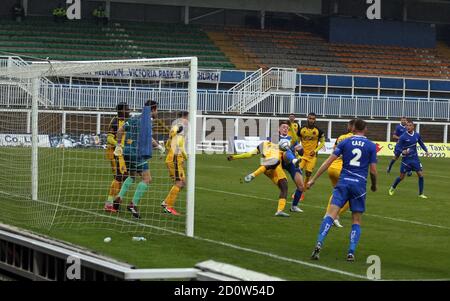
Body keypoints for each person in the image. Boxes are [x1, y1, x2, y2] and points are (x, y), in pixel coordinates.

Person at [307, 119, 378, 261]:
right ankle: (351, 252)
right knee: (356, 220)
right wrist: (374, 185)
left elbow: (329, 161)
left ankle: (319, 243)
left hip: (343, 182)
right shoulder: (371, 146)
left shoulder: (344, 142)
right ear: (364, 129)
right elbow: (373, 170)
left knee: (330, 214)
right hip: (359, 185)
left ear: (353, 128)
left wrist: (313, 179)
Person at [113, 100, 161, 219]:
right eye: (157, 110)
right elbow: (149, 139)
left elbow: (119, 131)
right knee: (147, 179)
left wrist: (119, 145)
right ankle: (133, 205)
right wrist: (160, 147)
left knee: (132, 176)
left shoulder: (133, 118)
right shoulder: (147, 122)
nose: (157, 112)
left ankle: (119, 197)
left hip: (127, 152)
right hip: (137, 154)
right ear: (153, 110)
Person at [227, 138, 291, 217]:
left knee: (284, 187)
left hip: (276, 168)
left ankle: (279, 211)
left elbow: (287, 160)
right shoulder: (264, 144)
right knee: (275, 161)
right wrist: (234, 157)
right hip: (266, 165)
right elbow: (250, 154)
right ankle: (253, 175)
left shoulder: (282, 147)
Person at [323, 119, 356, 228]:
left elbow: (334, 151)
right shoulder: (356, 139)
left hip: (332, 168)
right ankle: (333, 215)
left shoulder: (341, 137)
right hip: (341, 170)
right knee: (352, 196)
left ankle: (328, 215)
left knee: (336, 193)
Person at [388, 120, 429, 198]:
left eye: (410, 125)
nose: (408, 127)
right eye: (407, 125)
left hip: (415, 159)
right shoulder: (403, 137)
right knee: (401, 177)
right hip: (406, 160)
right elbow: (397, 148)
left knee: (420, 175)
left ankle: (421, 194)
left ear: (413, 127)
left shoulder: (417, 135)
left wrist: (426, 150)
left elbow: (421, 143)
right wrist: (402, 151)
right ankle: (392, 187)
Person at [161, 112, 189, 216]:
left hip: (177, 159)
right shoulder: (180, 125)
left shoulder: (181, 128)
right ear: (184, 117)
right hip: (175, 159)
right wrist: (186, 157)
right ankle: (168, 206)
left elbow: (169, 142)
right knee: (179, 183)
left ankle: (166, 203)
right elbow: (174, 136)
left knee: (183, 183)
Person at [104, 103, 130, 213]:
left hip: (122, 153)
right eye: (127, 109)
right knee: (119, 177)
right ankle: (109, 204)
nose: (129, 111)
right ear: (121, 111)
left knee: (124, 177)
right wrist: (118, 144)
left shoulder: (127, 122)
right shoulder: (115, 121)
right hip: (115, 153)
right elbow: (109, 138)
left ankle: (116, 201)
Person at [298, 112, 325, 201]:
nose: (311, 120)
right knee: (298, 172)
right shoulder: (302, 129)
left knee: (308, 173)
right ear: (307, 119)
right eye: (310, 118)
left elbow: (323, 143)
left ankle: (302, 191)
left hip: (312, 156)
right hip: (302, 155)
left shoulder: (319, 131)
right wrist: (298, 151)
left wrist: (315, 151)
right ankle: (300, 189)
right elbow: (298, 142)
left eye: (313, 119)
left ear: (315, 120)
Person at [279, 121, 305, 213]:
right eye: (283, 127)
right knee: (286, 151)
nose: (285, 128)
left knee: (301, 186)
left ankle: (294, 206)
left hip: (291, 163)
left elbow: (302, 152)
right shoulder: (274, 139)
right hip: (280, 162)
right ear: (279, 129)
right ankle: (294, 160)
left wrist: (300, 149)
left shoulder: (292, 139)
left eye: (287, 127)